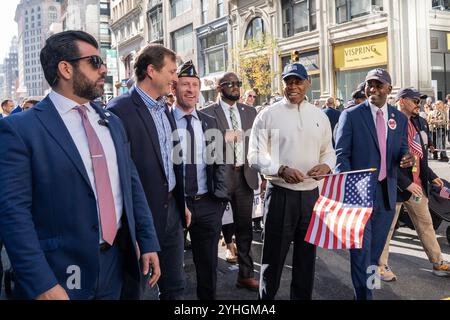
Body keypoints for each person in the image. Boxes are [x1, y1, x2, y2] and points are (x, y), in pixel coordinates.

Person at [0, 30, 161, 300]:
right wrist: (41, 284)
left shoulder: (111, 122)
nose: (104, 69)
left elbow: (131, 186)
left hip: (116, 265)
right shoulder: (19, 130)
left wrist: (147, 242)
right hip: (58, 274)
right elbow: (13, 214)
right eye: (95, 62)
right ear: (65, 68)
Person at [248, 62, 336, 300]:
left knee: (306, 261)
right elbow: (255, 154)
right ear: (283, 84)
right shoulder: (268, 115)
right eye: (289, 82)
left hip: (311, 197)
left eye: (298, 81)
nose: (293, 86)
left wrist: (327, 165)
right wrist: (280, 169)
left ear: (308, 83)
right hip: (280, 196)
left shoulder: (319, 116)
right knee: (273, 260)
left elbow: (329, 150)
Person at [108, 44, 188, 300]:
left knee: (175, 287)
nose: (176, 78)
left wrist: (180, 201)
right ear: (151, 71)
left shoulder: (165, 107)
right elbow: (119, 175)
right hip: (142, 220)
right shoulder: (119, 110)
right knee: (141, 290)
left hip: (173, 214)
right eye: (172, 71)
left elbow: (170, 162)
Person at [335, 68, 413, 300]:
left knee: (374, 255)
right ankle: (365, 297)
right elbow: (341, 156)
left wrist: (406, 157)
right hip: (358, 194)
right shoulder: (351, 115)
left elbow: (400, 150)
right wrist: (349, 190)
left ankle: (365, 292)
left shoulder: (398, 118)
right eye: (369, 84)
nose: (372, 89)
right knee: (360, 253)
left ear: (389, 89)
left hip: (386, 195)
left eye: (378, 85)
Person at [378, 87, 450, 282]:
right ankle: (380, 266)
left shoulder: (420, 122)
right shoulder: (388, 122)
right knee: (387, 228)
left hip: (417, 186)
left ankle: (438, 263)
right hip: (395, 185)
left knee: (426, 225)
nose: (419, 104)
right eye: (415, 101)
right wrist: (406, 183)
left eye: (420, 101)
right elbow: (387, 159)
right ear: (402, 101)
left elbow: (422, 156)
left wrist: (431, 176)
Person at [172, 60, 229, 300]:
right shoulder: (164, 121)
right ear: (173, 87)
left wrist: (219, 198)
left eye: (195, 85)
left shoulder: (209, 121)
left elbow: (220, 163)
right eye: (185, 84)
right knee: (172, 271)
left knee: (208, 268)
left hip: (207, 204)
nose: (191, 90)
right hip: (175, 205)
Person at [202, 72, 260, 291]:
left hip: (244, 177)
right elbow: (202, 147)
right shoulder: (206, 113)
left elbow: (257, 145)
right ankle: (209, 282)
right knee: (211, 228)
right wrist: (223, 137)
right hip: (219, 178)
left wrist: (262, 175)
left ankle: (246, 275)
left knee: (245, 229)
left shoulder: (250, 111)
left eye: (238, 84)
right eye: (229, 84)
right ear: (219, 88)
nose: (235, 87)